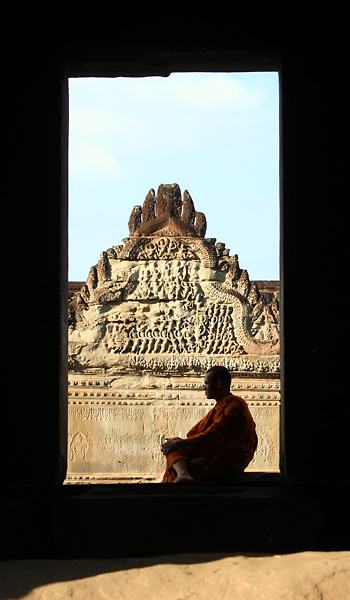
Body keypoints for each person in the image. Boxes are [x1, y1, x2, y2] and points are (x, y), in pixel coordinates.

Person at [161, 366, 258, 483]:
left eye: (206, 383)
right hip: (209, 453)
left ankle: (182, 476)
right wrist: (178, 443)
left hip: (224, 459)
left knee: (176, 466)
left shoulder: (234, 407)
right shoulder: (219, 407)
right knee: (173, 442)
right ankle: (183, 474)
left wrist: (181, 443)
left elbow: (213, 434)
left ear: (218, 384)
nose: (204, 388)